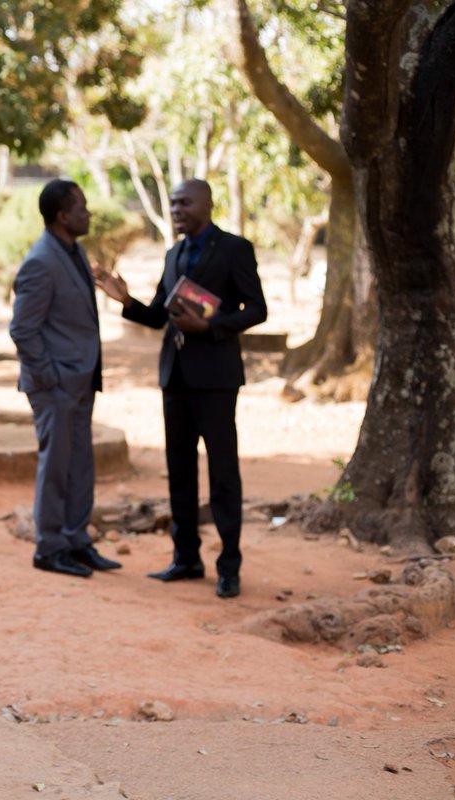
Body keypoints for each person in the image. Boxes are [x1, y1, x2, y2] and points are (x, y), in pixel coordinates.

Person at [97, 178, 267, 599]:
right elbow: (159, 316)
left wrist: (210, 325)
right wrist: (126, 301)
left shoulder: (234, 248)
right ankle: (186, 558)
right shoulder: (173, 254)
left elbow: (257, 309)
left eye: (184, 202)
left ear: (207, 204)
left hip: (217, 379)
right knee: (180, 473)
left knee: (224, 474)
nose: (176, 209)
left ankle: (229, 566)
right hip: (174, 378)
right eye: (172, 203)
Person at [10, 180, 121, 579]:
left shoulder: (73, 251)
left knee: (79, 465)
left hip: (80, 380)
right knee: (56, 467)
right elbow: (23, 329)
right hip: (56, 385)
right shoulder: (41, 260)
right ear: (62, 215)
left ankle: (77, 540)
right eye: (82, 207)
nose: (88, 213)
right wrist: (51, 379)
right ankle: (49, 547)